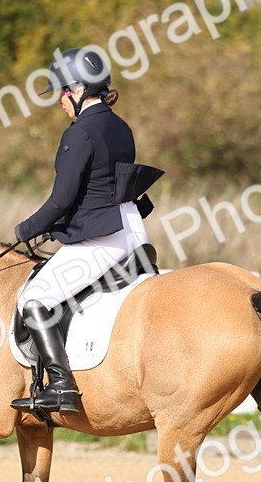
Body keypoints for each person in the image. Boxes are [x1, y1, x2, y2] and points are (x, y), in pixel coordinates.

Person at [10, 48, 159, 416]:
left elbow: (62, 199)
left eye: (62, 91)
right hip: (132, 233)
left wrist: (27, 229)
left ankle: (62, 386)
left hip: (102, 241)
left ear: (78, 89)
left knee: (36, 299)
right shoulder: (120, 126)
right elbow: (101, 188)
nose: (60, 100)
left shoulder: (80, 133)